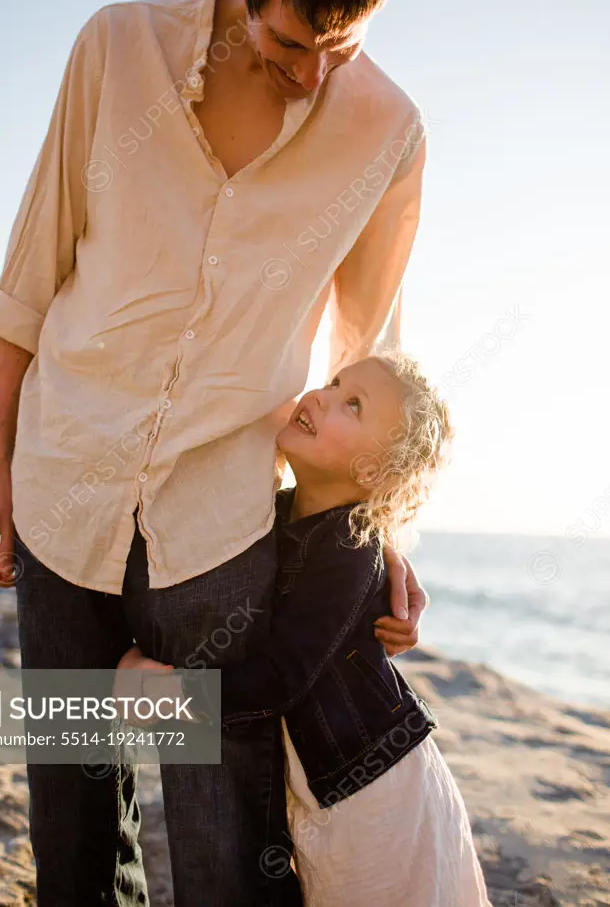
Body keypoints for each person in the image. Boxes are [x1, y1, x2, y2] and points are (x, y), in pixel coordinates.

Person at [0, 0, 431, 903]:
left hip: (221, 530)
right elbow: (30, 274)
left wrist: (389, 535)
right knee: (72, 822)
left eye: (340, 46)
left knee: (227, 847)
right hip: (62, 489)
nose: (312, 75)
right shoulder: (114, 48)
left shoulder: (388, 130)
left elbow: (371, 354)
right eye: (290, 40)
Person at [119, 352, 492, 907]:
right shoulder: (278, 512)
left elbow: (282, 677)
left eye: (353, 404)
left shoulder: (348, 548)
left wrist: (168, 697)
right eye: (335, 382)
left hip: (373, 787)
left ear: (369, 472)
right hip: (330, 785)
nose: (321, 394)